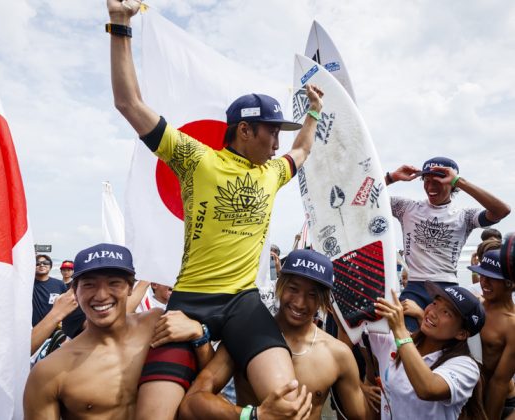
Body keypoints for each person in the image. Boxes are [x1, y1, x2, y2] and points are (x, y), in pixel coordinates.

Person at [106, 0, 325, 416]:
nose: (277, 144)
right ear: (245, 129)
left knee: (291, 406)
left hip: (243, 303)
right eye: (271, 132)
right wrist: (120, 24)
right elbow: (129, 103)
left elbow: (302, 148)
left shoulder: (272, 172)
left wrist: (313, 111)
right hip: (190, 301)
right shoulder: (196, 159)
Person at [23, 243, 210, 419]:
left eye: (114, 283)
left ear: (130, 288)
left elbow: (209, 382)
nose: (102, 295)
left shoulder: (158, 323)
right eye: (89, 284)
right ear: (75, 291)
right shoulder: (49, 371)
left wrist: (200, 336)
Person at [179, 249, 368, 420]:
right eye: (293, 289)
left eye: (312, 295)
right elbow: (191, 403)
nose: (300, 303)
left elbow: (360, 416)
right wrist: (254, 415)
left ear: (323, 299)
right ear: (280, 285)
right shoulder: (247, 336)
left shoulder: (337, 354)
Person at [385, 157, 510, 330]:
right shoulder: (406, 207)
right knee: (401, 338)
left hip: (448, 287)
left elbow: (502, 210)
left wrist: (460, 181)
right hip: (415, 287)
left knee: (445, 347)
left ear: (452, 184)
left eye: (438, 182)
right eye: (426, 181)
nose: (430, 187)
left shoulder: (464, 216)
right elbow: (362, 198)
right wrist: (391, 178)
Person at [364, 282, 486, 420]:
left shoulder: (466, 366)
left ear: (461, 334)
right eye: (434, 303)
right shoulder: (396, 342)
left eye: (446, 312)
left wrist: (399, 328)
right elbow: (350, 327)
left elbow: (427, 389)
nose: (432, 312)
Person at [467, 249, 515, 419]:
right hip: (472, 397)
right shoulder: (474, 305)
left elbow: (499, 383)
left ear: (510, 283)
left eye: (493, 278)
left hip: (498, 402)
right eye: (481, 275)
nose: (484, 282)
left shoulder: (511, 325)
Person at [32, 254, 67, 327]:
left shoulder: (60, 284)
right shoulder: (28, 284)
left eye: (45, 263)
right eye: (37, 263)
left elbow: (66, 305)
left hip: (54, 328)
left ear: (50, 266)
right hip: (32, 329)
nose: (41, 265)